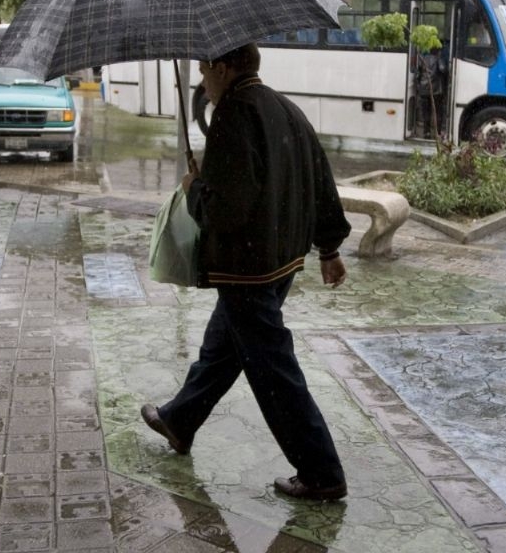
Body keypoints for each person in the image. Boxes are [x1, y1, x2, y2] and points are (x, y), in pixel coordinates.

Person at [140, 42, 352, 501]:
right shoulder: (283, 105)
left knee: (272, 367)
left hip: (247, 267)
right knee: (224, 345)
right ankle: (180, 420)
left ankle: (321, 471)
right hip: (281, 261)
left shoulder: (234, 114)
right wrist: (329, 247)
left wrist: (195, 188)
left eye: (203, 70)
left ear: (222, 67)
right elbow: (322, 179)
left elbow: (226, 212)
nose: (201, 82)